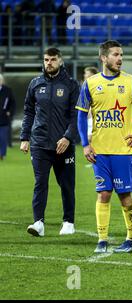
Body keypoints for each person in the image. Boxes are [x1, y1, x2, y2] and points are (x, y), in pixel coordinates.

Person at [76, 40, 132, 254]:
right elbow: (81, 116)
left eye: (121, 55)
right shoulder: (90, 83)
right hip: (99, 151)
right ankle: (102, 240)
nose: (120, 58)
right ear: (103, 58)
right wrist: (85, 144)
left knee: (124, 195)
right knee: (103, 194)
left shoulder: (131, 82)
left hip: (123, 150)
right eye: (115, 55)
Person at [20, 47, 79, 236]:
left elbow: (76, 114)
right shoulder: (35, 84)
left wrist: (68, 137)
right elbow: (28, 112)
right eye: (46, 60)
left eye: (53, 59)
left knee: (67, 185)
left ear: (60, 61)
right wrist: (24, 137)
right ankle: (38, 223)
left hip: (64, 145)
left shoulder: (71, 85)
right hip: (39, 144)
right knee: (40, 183)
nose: (49, 63)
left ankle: (68, 222)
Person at [0, 74, 16, 160]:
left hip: (4, 119)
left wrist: (10, 111)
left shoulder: (7, 90)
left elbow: (13, 103)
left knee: (3, 137)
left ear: (2, 81)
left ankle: (2, 154)